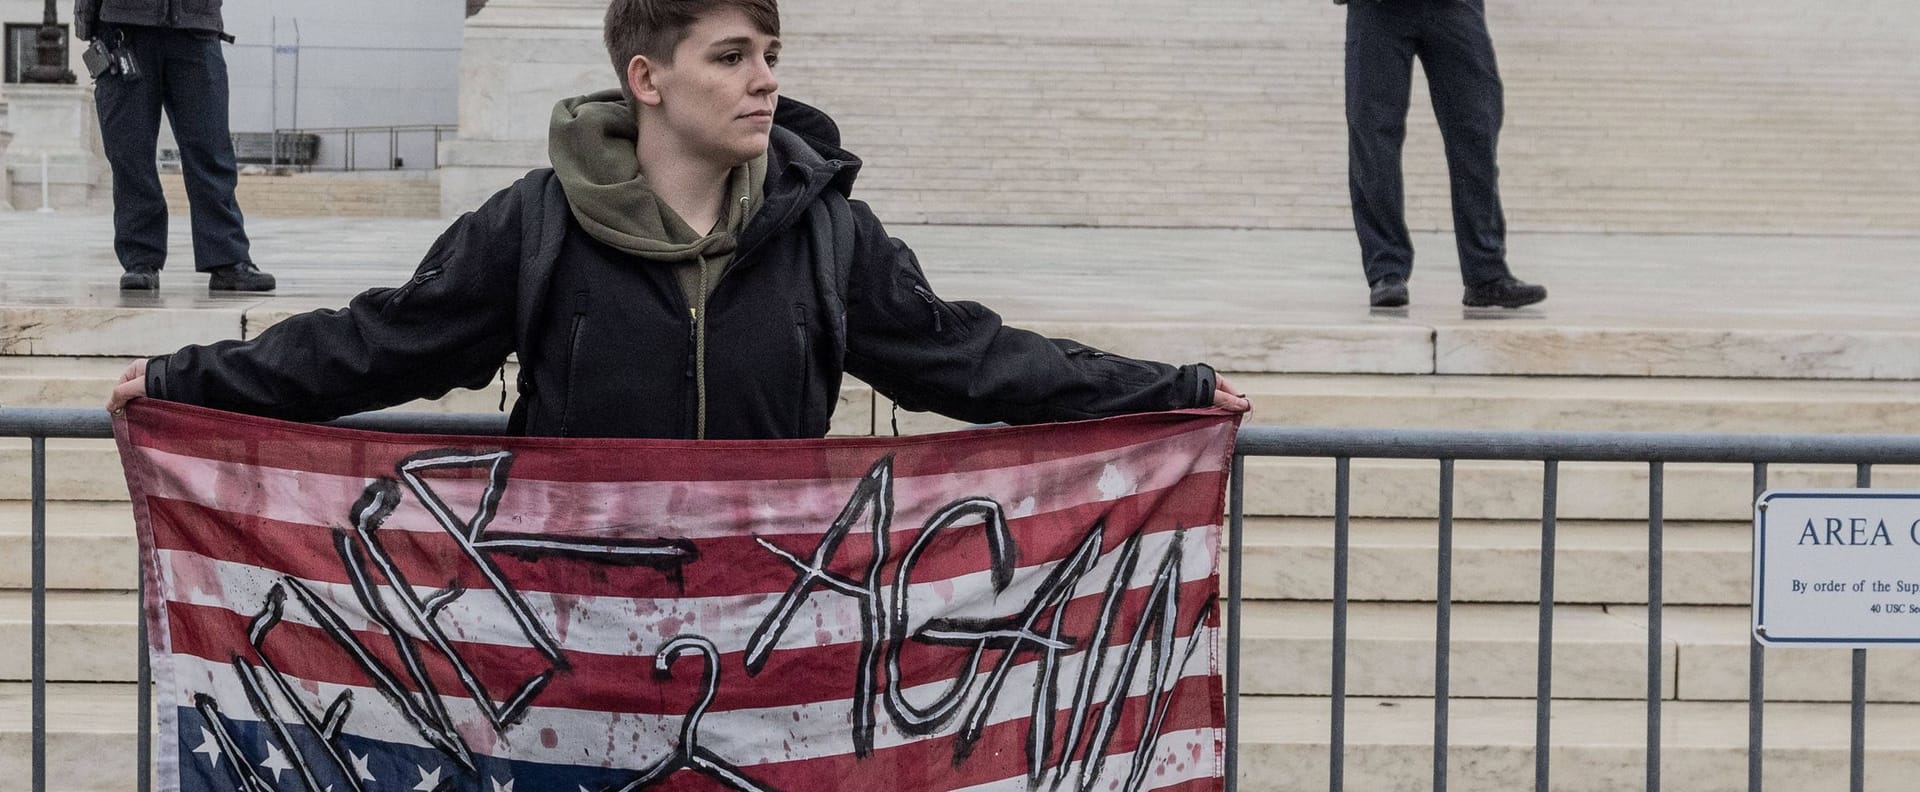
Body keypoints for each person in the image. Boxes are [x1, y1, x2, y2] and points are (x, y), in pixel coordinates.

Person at [107, 0, 1245, 435]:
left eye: (771, 57)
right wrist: (185, 380)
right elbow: (379, 342)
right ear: (648, 79)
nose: (766, 82)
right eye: (733, 57)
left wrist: (1172, 390)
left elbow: (975, 361)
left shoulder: (828, 232)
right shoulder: (535, 225)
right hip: (574, 649)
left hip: (767, 644)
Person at [1338, 0, 1544, 310]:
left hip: (1454, 8)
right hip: (1376, 9)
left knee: (1476, 131)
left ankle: (1485, 275)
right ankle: (1386, 272)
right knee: (1373, 138)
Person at [74, 0, 275, 293]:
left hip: (196, 28)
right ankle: (140, 260)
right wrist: (87, 21)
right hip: (124, 28)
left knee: (211, 150)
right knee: (130, 152)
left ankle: (228, 259)